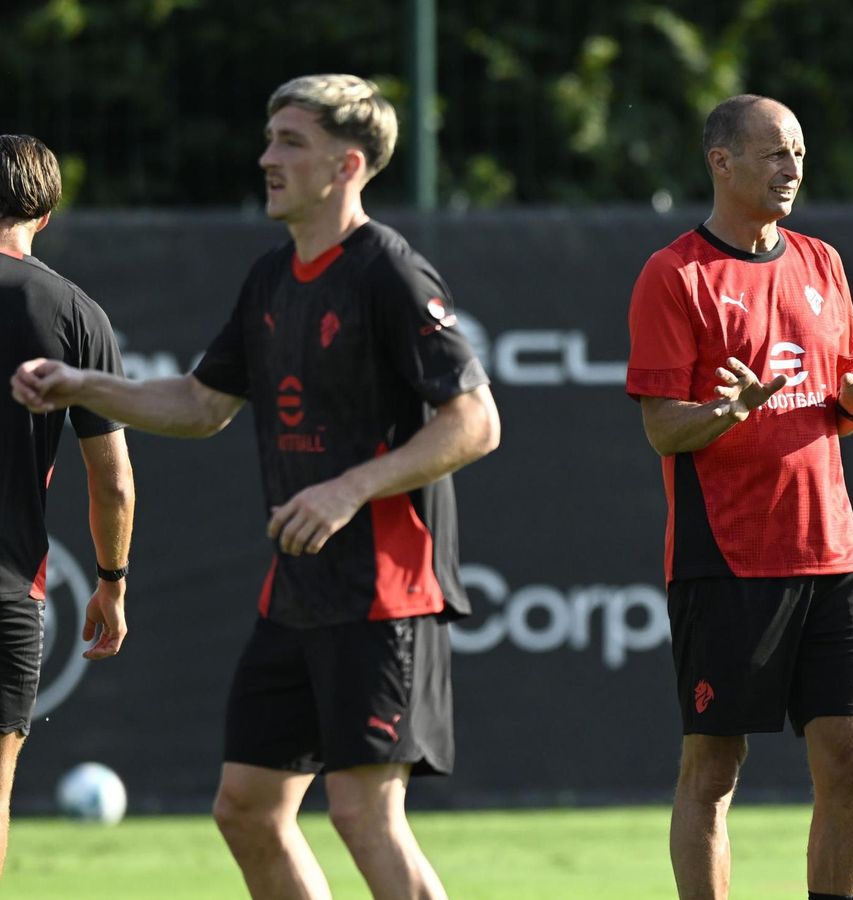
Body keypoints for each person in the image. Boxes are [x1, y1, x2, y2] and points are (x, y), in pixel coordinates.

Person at [11, 75, 500, 899]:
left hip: (383, 590)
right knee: (248, 808)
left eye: (290, 143)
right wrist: (80, 384)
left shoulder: (389, 271)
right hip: (298, 591)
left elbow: (476, 422)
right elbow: (201, 405)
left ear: (347, 166)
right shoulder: (272, 278)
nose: (267, 158)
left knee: (362, 812)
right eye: (270, 138)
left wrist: (349, 490)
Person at [626, 94, 853, 900]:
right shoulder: (675, 274)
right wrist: (724, 412)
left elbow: (837, 417)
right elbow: (663, 430)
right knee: (715, 767)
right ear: (720, 162)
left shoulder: (822, 263)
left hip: (832, 554)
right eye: (773, 153)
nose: (792, 168)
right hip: (727, 558)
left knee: (852, 758)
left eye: (798, 152)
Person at [0, 133, 135, 879]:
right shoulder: (75, 313)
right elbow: (111, 478)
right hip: (5, 585)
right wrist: (112, 580)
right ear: (46, 214)